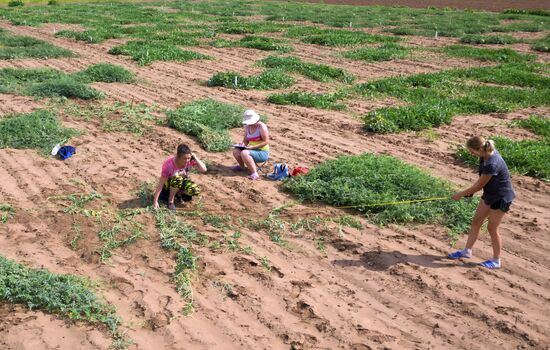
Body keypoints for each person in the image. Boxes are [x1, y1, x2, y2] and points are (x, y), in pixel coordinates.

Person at [447, 136, 515, 269]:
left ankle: (496, 260)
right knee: (477, 221)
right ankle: (467, 251)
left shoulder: (492, 163)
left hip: (501, 197)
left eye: (472, 152)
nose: (472, 154)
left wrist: (460, 194)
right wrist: (470, 192)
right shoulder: (484, 156)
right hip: (490, 194)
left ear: (479, 149)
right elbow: (481, 182)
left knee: (492, 228)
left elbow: (478, 186)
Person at [153, 144, 207, 210]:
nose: (187, 161)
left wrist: (195, 157)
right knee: (177, 178)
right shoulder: (169, 165)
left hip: (180, 184)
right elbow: (160, 185)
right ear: (178, 156)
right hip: (168, 186)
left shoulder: (190, 161)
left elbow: (203, 169)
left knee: (195, 190)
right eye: (184, 158)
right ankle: (170, 201)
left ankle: (178, 194)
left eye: (188, 158)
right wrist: (155, 201)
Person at [231, 109, 269, 180]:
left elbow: (266, 141)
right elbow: (246, 140)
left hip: (262, 152)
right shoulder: (248, 127)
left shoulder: (261, 127)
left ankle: (255, 174)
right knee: (236, 151)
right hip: (251, 149)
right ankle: (242, 167)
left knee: (244, 153)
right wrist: (243, 144)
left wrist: (253, 147)